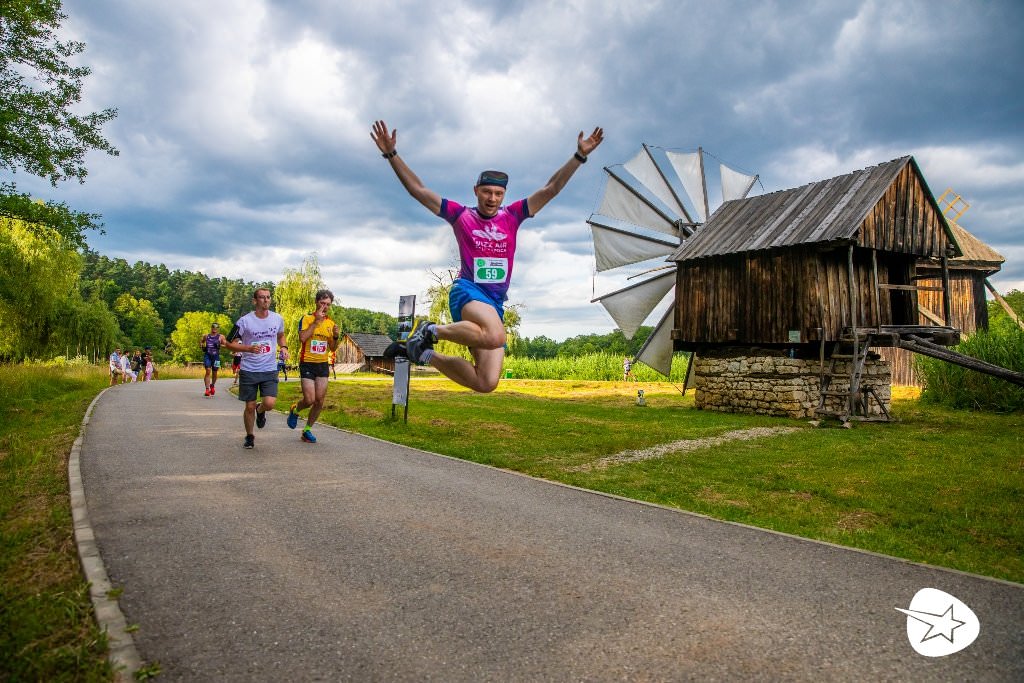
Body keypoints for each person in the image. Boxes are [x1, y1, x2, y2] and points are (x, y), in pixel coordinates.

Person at [370, 119, 604, 392]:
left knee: (486, 381)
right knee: (495, 335)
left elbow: (550, 188)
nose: (492, 198)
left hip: (495, 301)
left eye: (498, 193)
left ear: (504, 195)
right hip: (467, 291)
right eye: (487, 192)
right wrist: (391, 155)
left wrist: (579, 156)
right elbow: (419, 191)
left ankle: (421, 353)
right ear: (476, 191)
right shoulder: (461, 215)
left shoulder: (514, 215)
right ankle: (430, 330)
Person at [223, 288, 288, 450]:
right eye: (262, 298)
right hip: (249, 369)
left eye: (268, 297)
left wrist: (284, 347)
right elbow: (228, 343)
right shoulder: (244, 321)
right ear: (255, 301)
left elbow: (280, 335)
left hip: (269, 368)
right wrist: (248, 349)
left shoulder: (277, 318)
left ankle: (262, 410)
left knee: (270, 403)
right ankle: (250, 436)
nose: (266, 300)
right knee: (249, 406)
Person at [286, 289, 340, 443]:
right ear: (316, 302)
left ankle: (307, 430)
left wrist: (335, 336)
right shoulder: (307, 318)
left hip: (322, 365)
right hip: (307, 363)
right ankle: (295, 410)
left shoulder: (330, 324)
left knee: (319, 401)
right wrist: (316, 322)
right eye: (322, 303)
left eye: (328, 304)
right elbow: (302, 338)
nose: (325, 307)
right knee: (309, 399)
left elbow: (333, 348)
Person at [200, 322, 224, 396]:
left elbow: (226, 345)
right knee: (208, 370)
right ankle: (207, 390)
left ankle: (212, 385)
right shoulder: (206, 336)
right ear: (211, 328)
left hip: (216, 357)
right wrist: (202, 346)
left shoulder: (221, 337)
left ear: (218, 329)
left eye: (216, 327)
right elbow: (201, 341)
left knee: (215, 372)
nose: (215, 328)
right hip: (207, 355)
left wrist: (219, 345)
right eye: (213, 327)